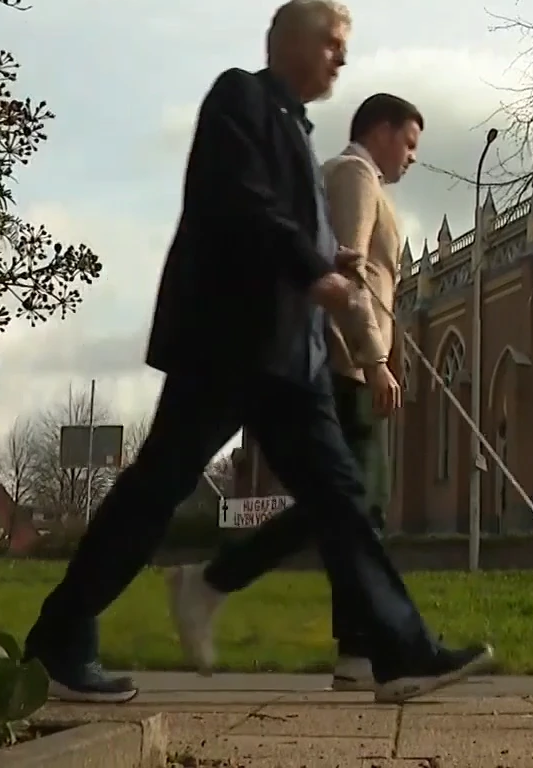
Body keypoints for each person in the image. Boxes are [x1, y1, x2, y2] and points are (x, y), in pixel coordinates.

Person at [20, 0, 493, 705]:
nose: (342, 57)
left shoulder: (299, 132)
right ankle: (60, 637)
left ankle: (402, 653)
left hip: (292, 360)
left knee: (341, 496)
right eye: (332, 43)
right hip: (230, 338)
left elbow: (293, 226)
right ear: (288, 41)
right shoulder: (238, 98)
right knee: (159, 487)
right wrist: (317, 273)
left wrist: (327, 266)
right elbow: (242, 201)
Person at [164, 92, 422, 692]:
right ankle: (356, 644)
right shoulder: (355, 175)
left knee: (349, 504)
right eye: (409, 142)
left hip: (346, 364)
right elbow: (348, 278)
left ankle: (352, 648)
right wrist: (373, 359)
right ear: (380, 131)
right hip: (343, 365)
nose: (412, 157)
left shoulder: (354, 178)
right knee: (355, 502)